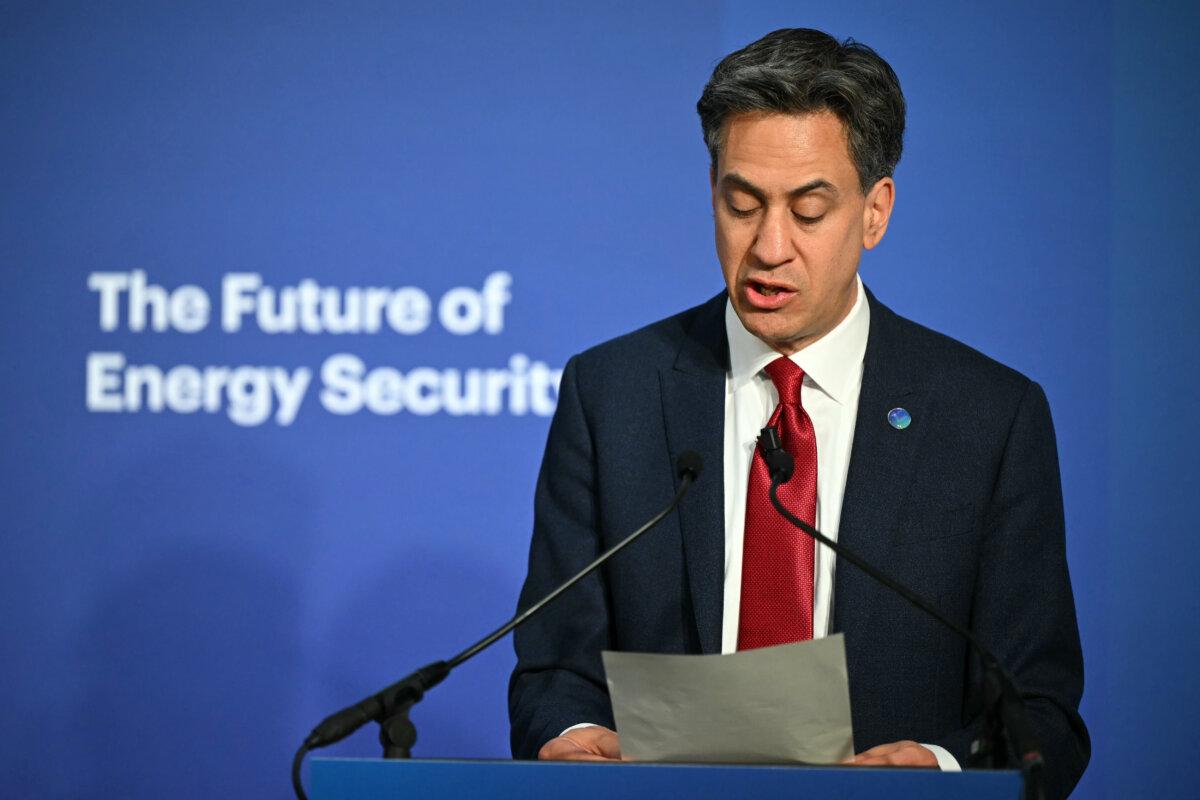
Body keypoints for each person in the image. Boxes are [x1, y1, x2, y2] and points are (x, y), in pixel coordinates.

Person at [508, 27, 1088, 799]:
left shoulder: (987, 419)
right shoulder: (611, 394)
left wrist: (941, 771)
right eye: (742, 204)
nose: (769, 247)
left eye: (809, 211)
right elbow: (554, 669)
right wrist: (571, 736)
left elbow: (1042, 712)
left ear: (875, 212)